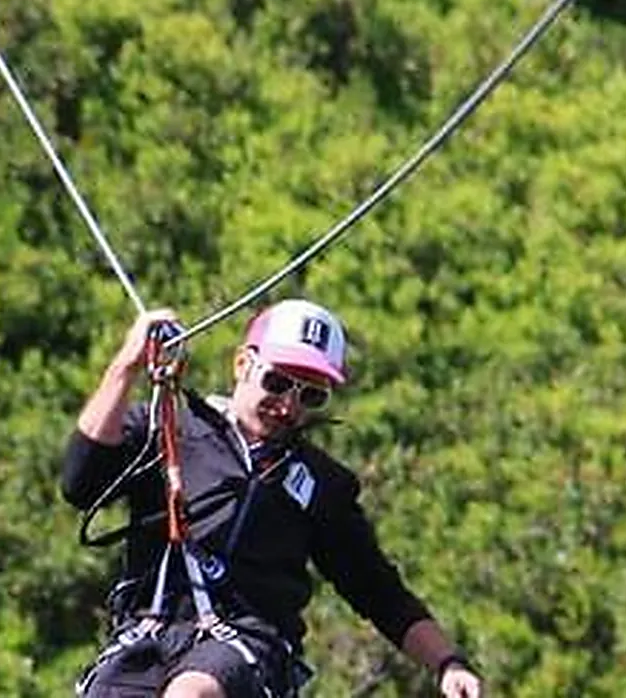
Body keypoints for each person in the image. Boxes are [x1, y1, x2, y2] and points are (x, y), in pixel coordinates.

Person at [62, 299, 484, 698]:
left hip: (247, 648)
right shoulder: (169, 428)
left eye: (310, 395)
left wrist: (449, 663)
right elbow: (80, 482)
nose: (288, 405)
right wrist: (126, 366)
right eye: (278, 383)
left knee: (191, 694)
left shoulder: (321, 485)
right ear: (243, 364)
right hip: (149, 631)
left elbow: (378, 590)